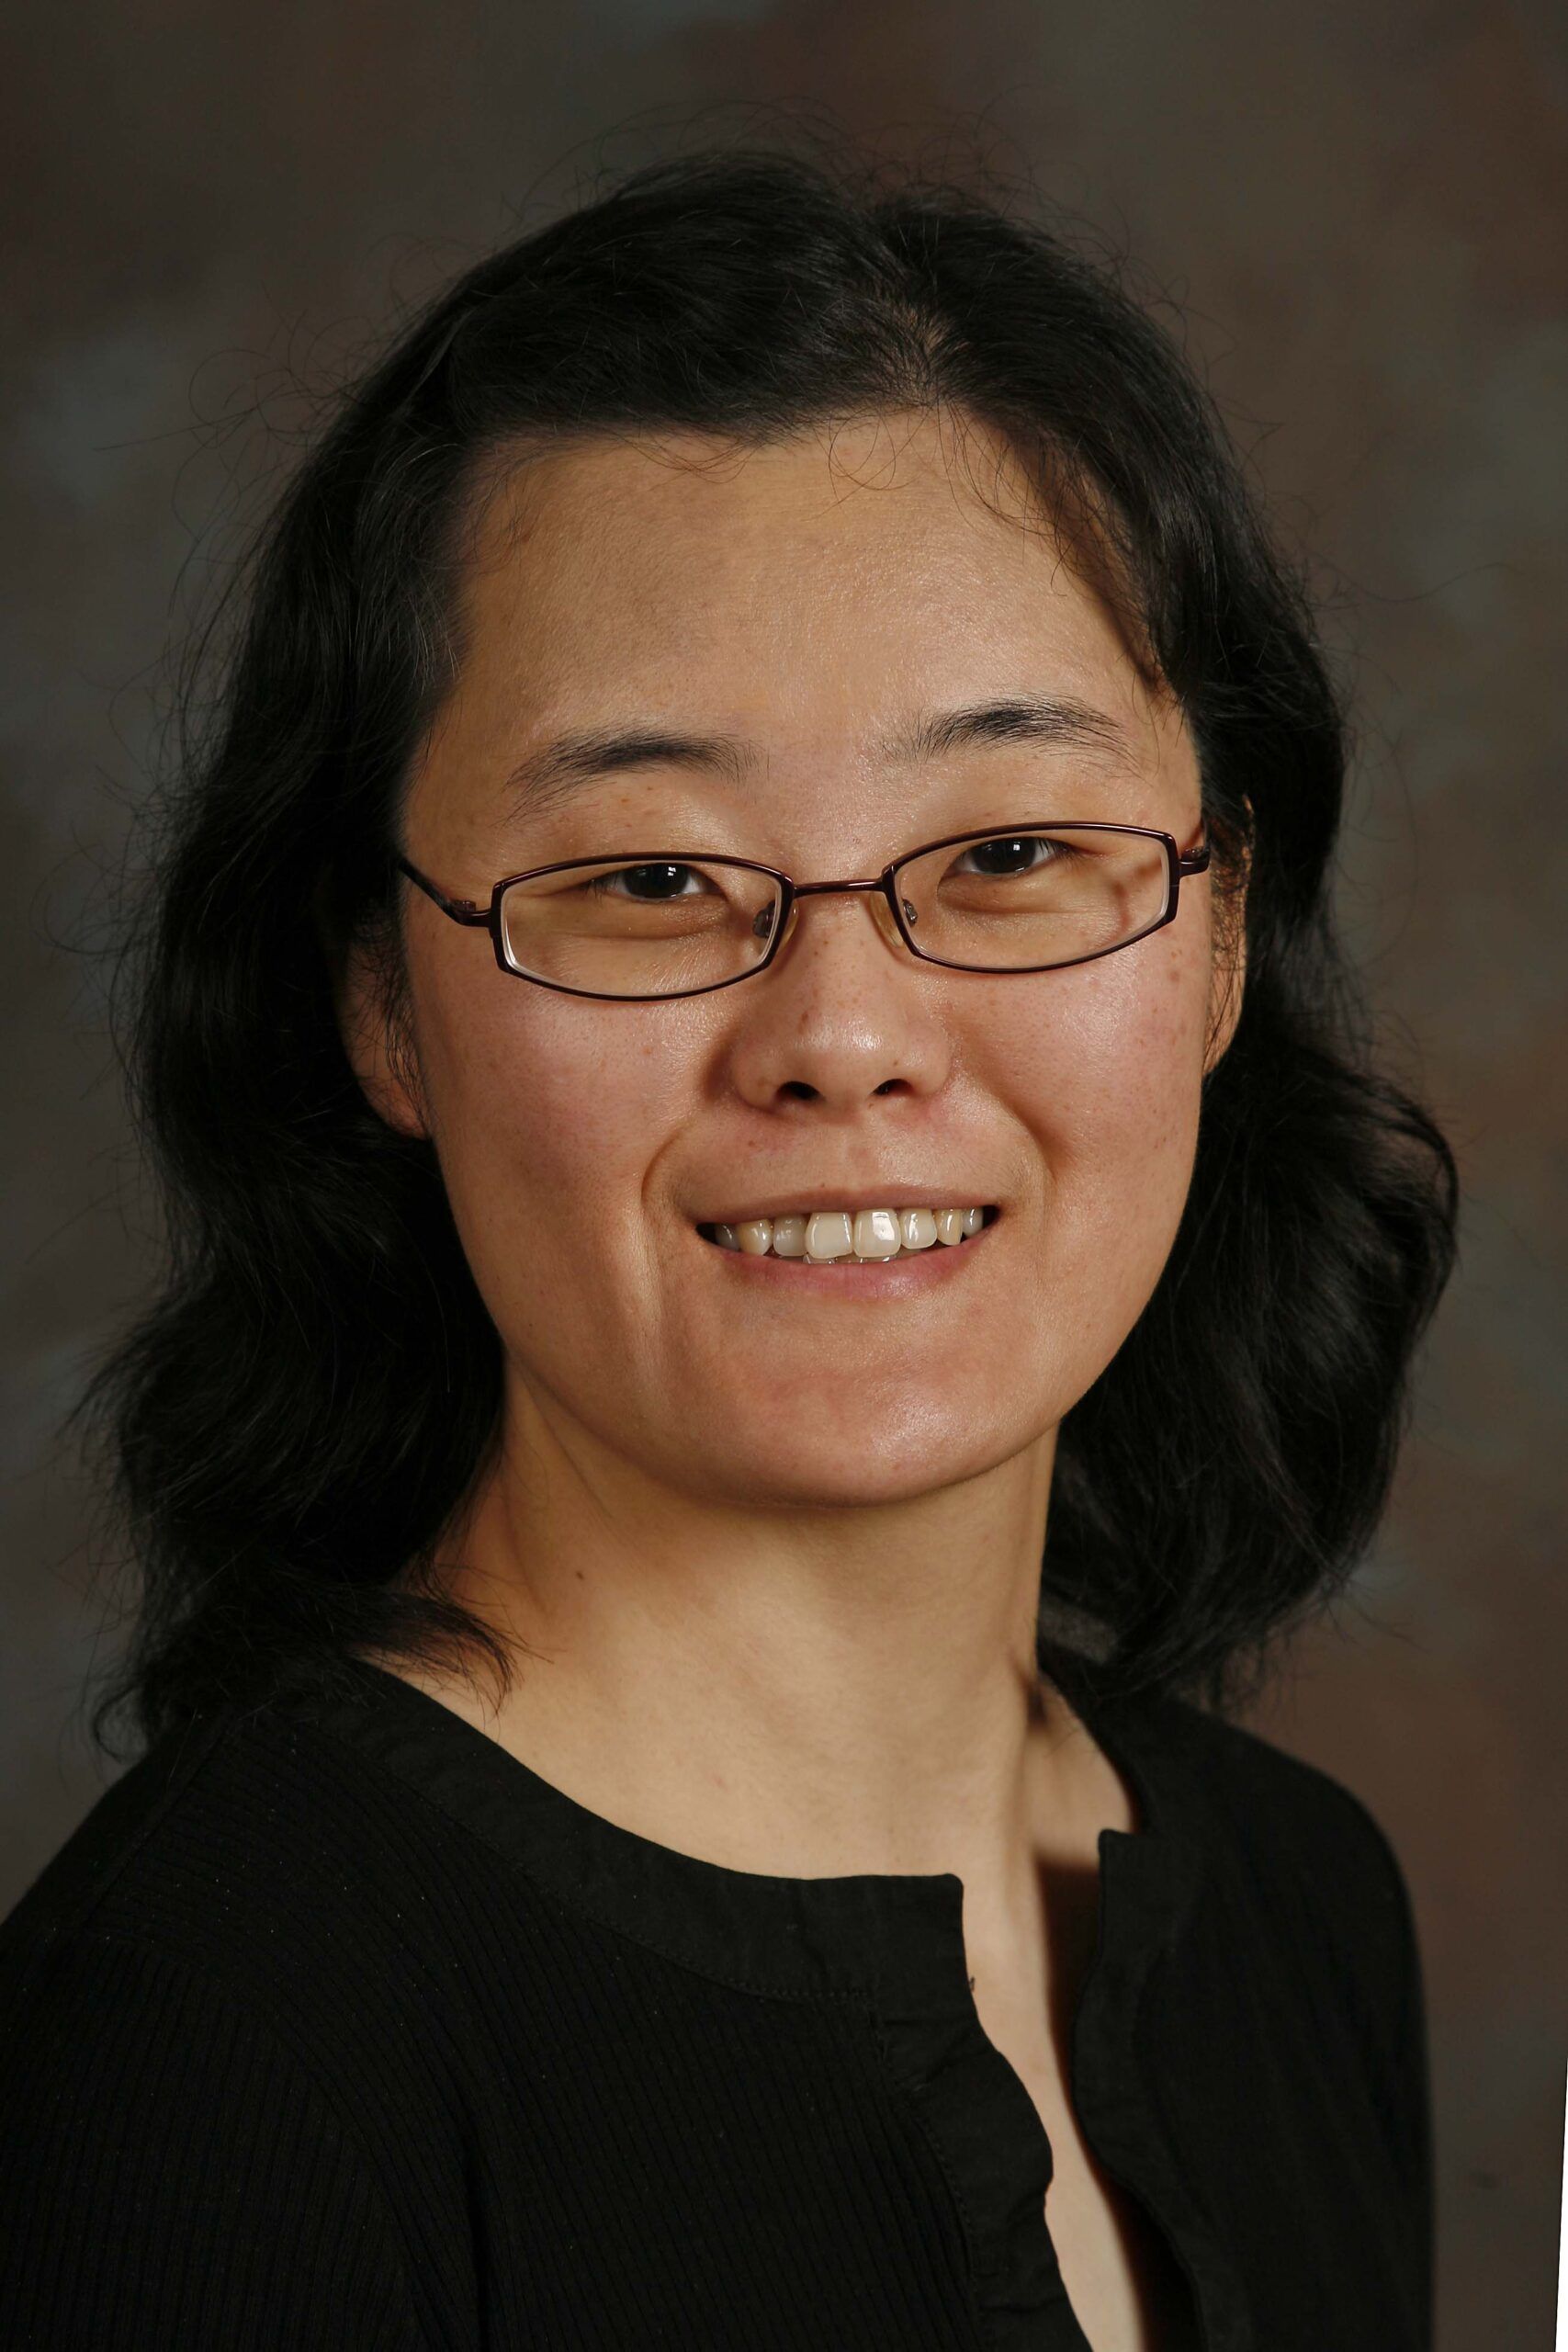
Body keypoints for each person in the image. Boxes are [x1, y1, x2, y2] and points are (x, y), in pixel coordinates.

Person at [0, 149, 1457, 2351]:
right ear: (378, 1004)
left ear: (1222, 930)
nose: (844, 1038)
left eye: (1012, 849)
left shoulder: (1301, 1909)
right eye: (652, 881)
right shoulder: (217, 2041)